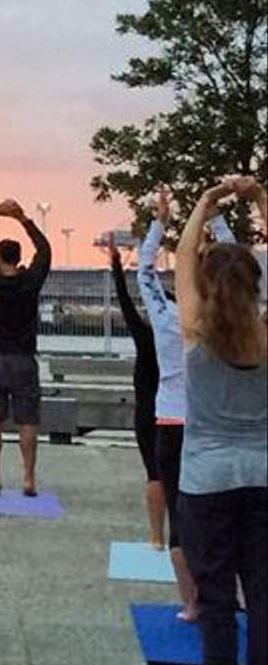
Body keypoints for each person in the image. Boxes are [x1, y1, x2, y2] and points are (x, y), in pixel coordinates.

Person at [173, 176, 268, 665]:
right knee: (263, 593)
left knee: (215, 596)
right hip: (263, 477)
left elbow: (184, 257)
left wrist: (204, 203)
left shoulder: (195, 332)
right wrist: (260, 200)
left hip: (206, 481)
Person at [140, 189, 238, 620]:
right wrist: (215, 220)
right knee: (220, 516)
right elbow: (240, 271)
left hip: (170, 424)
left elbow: (145, 273)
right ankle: (225, 595)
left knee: (181, 522)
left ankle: (191, 603)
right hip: (211, 424)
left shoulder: (166, 317)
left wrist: (159, 224)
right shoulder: (219, 321)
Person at [0, 199, 52, 496]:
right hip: (23, 358)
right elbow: (45, 252)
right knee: (28, 421)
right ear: (19, 258)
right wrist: (24, 220)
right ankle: (28, 477)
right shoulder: (29, 282)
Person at [108, 228, 163, 551]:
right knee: (178, 478)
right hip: (176, 412)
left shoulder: (145, 337)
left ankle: (156, 537)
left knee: (154, 475)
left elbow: (126, 302)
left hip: (147, 414)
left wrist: (116, 265)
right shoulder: (181, 341)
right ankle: (182, 537)